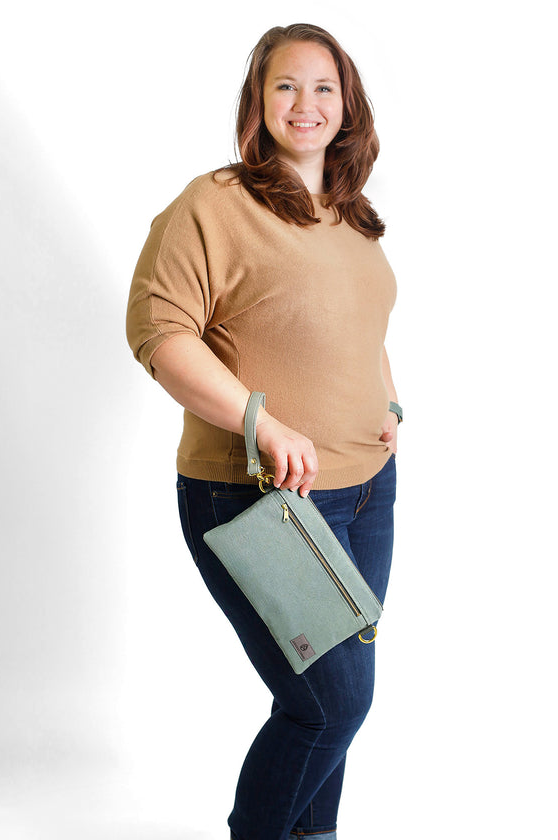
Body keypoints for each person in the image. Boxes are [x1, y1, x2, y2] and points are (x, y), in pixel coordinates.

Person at [126, 22, 401, 840]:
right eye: (285, 85)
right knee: (330, 704)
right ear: (258, 101)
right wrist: (261, 421)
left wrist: (390, 406)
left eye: (323, 87)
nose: (305, 103)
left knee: (333, 714)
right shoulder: (213, 204)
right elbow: (159, 333)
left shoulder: (351, 216)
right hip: (262, 498)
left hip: (366, 494)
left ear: (347, 104)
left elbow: (360, 329)